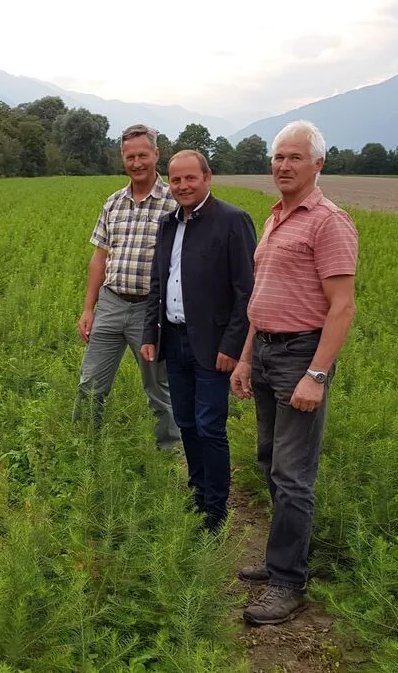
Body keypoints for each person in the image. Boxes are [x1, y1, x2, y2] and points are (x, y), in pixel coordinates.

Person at [230, 120, 359, 626]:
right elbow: (260, 298)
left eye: (295, 158)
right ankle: (279, 556)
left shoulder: (330, 222)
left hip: (300, 356)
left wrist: (317, 374)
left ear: (318, 164)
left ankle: (289, 582)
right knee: (268, 459)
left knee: (293, 473)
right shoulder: (277, 217)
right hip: (263, 350)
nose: (283, 166)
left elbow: (343, 307)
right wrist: (244, 357)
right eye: (278, 157)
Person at [141, 149, 257, 533]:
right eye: (175, 180)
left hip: (212, 346)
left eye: (191, 178)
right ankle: (197, 492)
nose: (183, 186)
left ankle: (215, 510)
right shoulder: (168, 224)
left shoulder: (233, 221)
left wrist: (232, 346)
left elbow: (246, 291)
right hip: (174, 340)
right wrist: (150, 334)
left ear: (208, 178)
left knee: (210, 425)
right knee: (187, 421)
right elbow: (159, 283)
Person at [73, 124, 182, 449]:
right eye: (130, 156)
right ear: (123, 158)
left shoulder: (172, 202)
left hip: (150, 312)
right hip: (110, 303)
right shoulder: (114, 203)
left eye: (142, 155)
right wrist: (89, 308)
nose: (136, 163)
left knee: (158, 388)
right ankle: (83, 451)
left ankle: (168, 454)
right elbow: (99, 257)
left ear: (156, 155)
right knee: (90, 383)